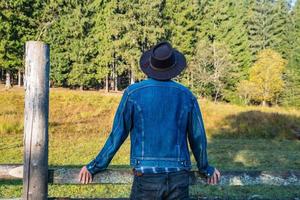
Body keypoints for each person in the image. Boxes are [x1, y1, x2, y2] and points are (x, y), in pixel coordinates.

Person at [79, 41, 221, 199]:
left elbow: (117, 134)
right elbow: (198, 137)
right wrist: (205, 168)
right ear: (173, 68)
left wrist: (94, 166)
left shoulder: (132, 94)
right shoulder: (187, 96)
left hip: (146, 177)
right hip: (178, 177)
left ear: (150, 66)